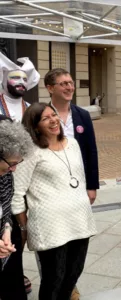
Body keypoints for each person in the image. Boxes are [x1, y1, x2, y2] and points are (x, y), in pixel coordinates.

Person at [11, 103, 97, 300]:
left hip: (79, 220)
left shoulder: (73, 143)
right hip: (50, 225)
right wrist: (24, 226)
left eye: (54, 115)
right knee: (54, 279)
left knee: (73, 274)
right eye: (45, 118)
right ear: (35, 126)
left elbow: (80, 178)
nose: (53, 120)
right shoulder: (30, 152)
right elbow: (18, 193)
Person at [0, 52, 40, 295]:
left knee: (18, 231)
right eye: (14, 78)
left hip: (27, 181)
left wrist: (5, 228)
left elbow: (5, 206)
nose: (20, 83)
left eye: (23, 78)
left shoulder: (7, 175)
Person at [0, 115, 33, 300]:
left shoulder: (5, 175)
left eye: (17, 163)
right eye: (11, 164)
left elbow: (5, 210)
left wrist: (6, 229)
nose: (14, 169)